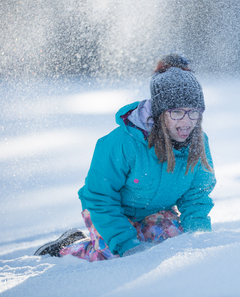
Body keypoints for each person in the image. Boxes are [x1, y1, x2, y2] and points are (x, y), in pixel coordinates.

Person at [34, 54, 216, 261]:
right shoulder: (122, 142)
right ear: (159, 113)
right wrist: (126, 243)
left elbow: (197, 195)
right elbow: (100, 197)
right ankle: (66, 248)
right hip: (106, 210)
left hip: (155, 211)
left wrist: (198, 237)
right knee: (113, 255)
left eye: (193, 112)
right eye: (176, 112)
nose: (186, 122)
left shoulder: (199, 142)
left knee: (176, 243)